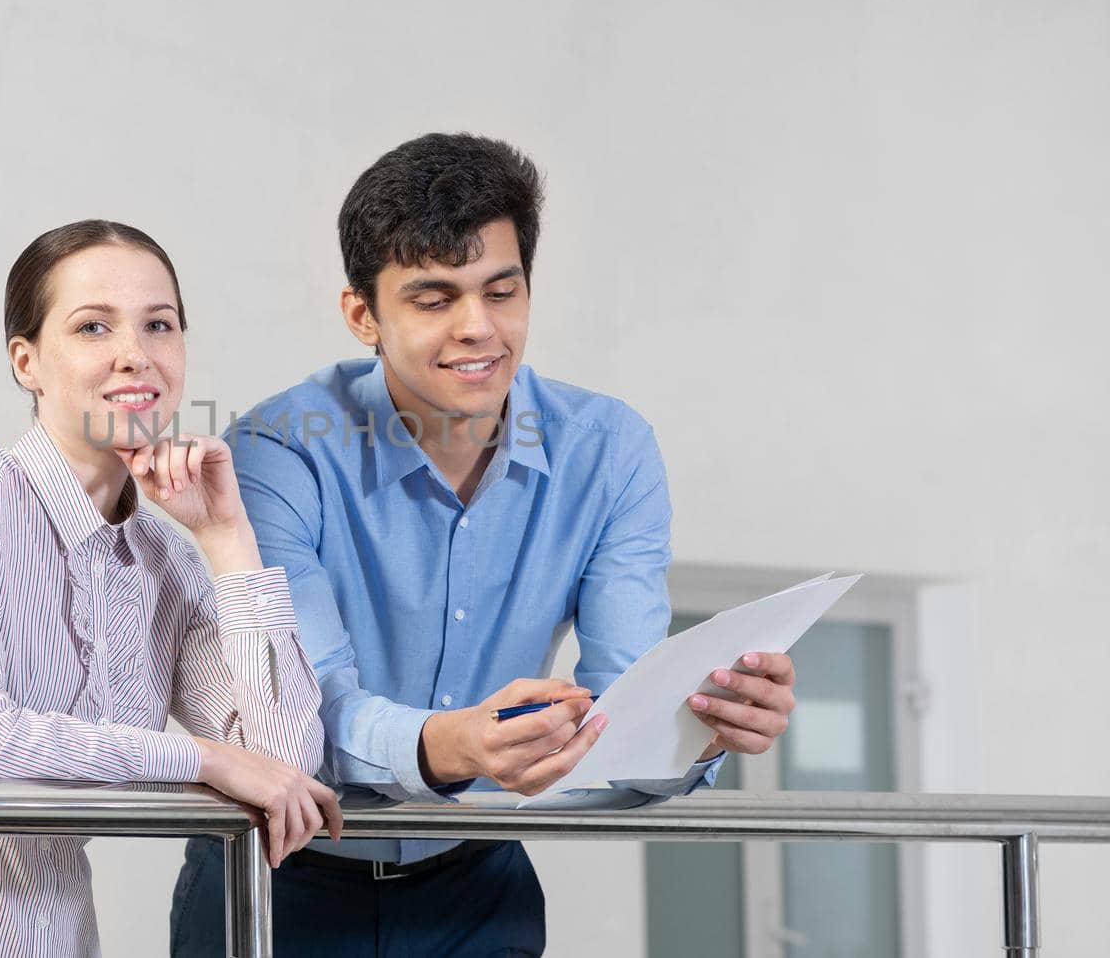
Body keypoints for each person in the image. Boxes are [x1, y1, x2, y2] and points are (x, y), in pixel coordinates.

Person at [170, 135, 799, 956]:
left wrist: (702, 724)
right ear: (364, 314)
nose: (479, 329)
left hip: (477, 879)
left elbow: (622, 705)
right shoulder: (278, 450)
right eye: (434, 300)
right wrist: (450, 744)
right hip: (279, 873)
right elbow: (301, 710)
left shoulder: (608, 450)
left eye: (501, 291)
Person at [0, 219, 342, 958]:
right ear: (26, 360)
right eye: (93, 326)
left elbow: (285, 760)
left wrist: (229, 540)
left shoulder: (166, 554)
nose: (135, 353)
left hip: (63, 939)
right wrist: (205, 760)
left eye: (159, 325)